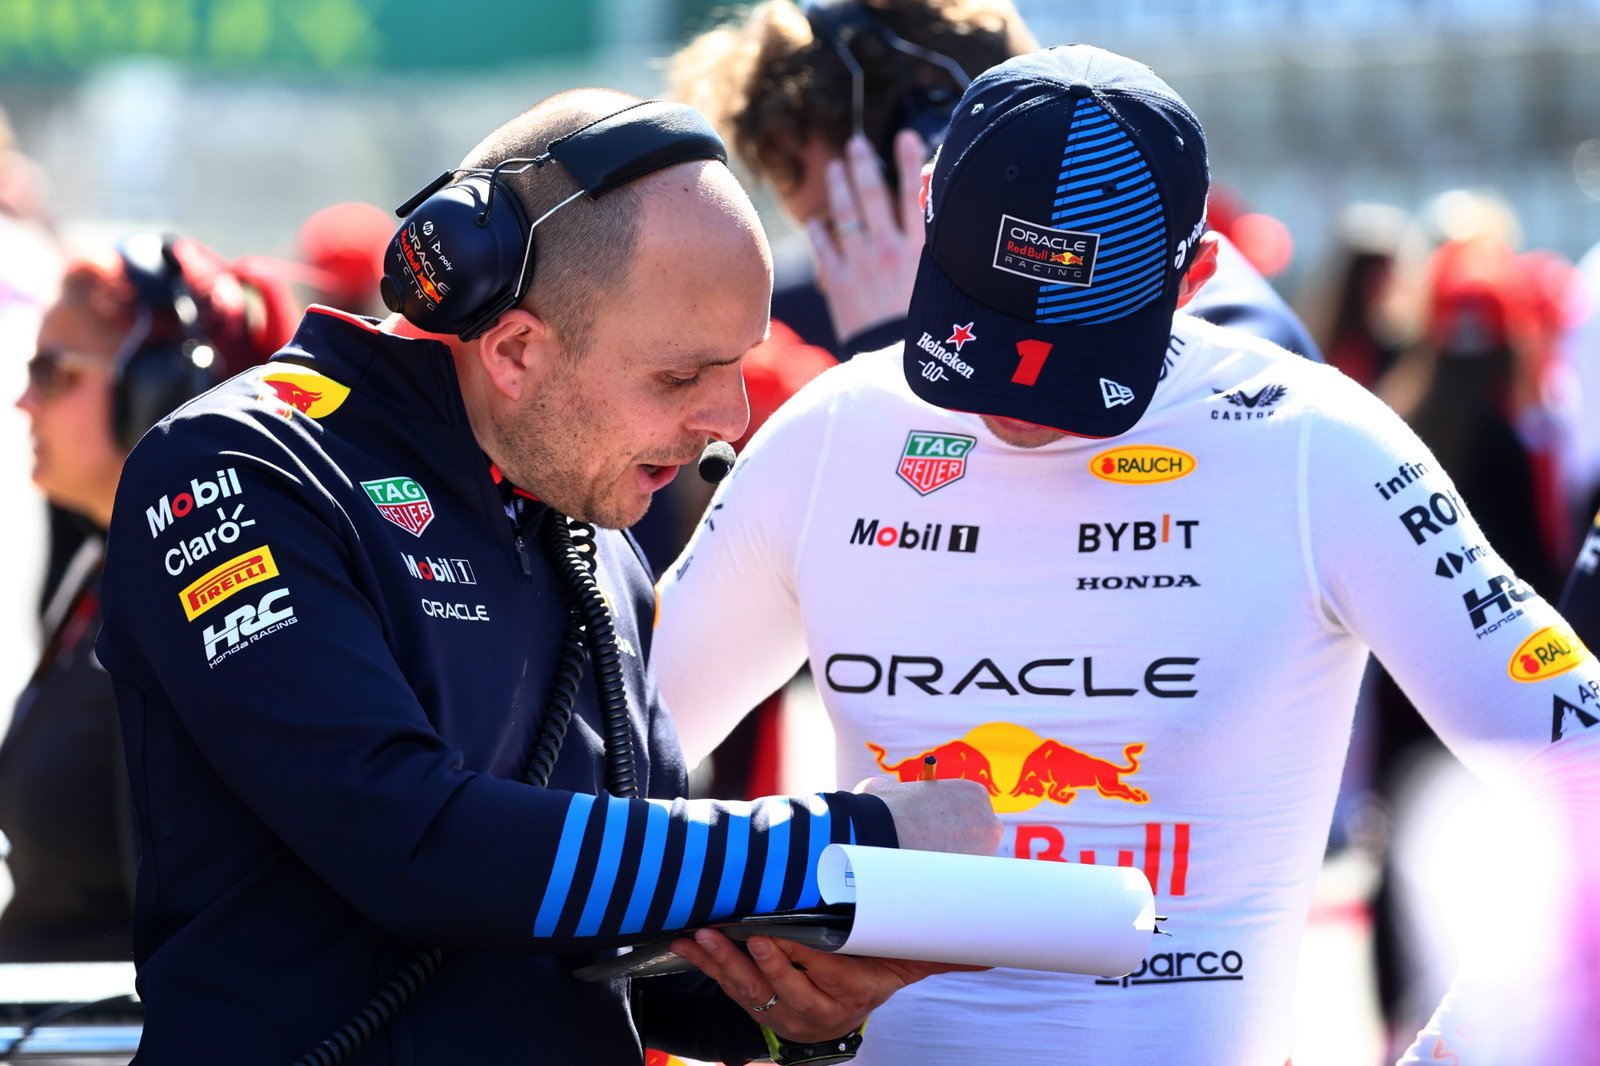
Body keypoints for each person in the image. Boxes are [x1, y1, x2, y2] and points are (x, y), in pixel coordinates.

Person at [654, 45, 1600, 1065]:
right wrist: (738, 990)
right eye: (978, 328)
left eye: (1071, 360)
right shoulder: (829, 434)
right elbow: (587, 770)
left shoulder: (1318, 445)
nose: (1012, 387)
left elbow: (1581, 776)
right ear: (928, 208)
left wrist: (1453, 1050)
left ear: (1195, 274)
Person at [94, 89, 999, 1066]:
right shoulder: (239, 468)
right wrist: (841, 841)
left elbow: (615, 954)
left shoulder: (587, 515)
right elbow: (412, 842)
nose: (728, 416)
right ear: (516, 348)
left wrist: (792, 1010)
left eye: (737, 364)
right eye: (679, 375)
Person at [668, 0, 1322, 364]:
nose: (845, 273)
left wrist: (895, 347)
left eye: (851, 229)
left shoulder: (1197, 314)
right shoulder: (1056, 293)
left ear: (936, 161)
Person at [0, 234, 296, 964]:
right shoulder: (104, 577)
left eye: (53, 370)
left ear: (162, 392)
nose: (22, 399)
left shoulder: (202, 613)